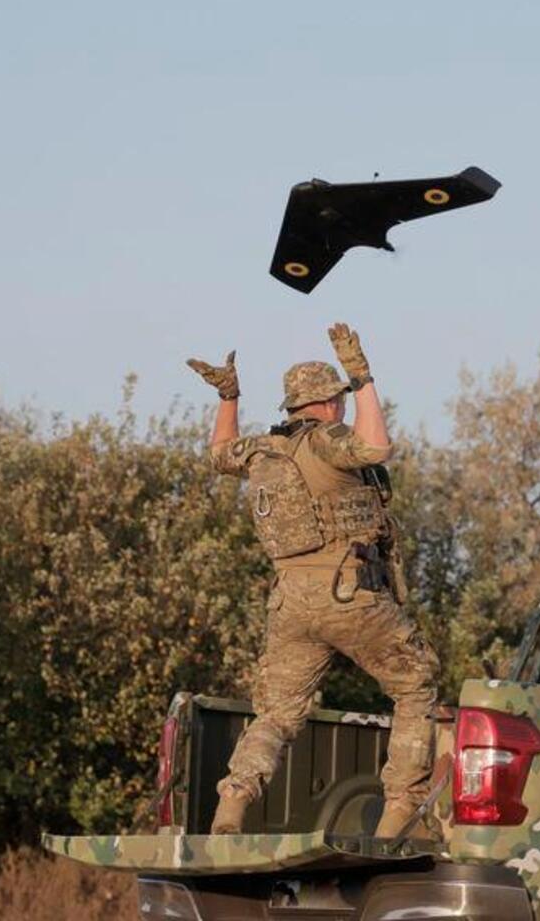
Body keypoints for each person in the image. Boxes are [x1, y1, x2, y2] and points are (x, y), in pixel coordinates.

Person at [186, 323, 439, 838]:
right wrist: (363, 375)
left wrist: (229, 396)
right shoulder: (327, 441)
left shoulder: (262, 451)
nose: (342, 407)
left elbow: (217, 452)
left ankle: (232, 804)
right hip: (348, 593)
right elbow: (375, 447)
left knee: (276, 715)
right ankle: (395, 817)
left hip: (290, 603)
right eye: (339, 400)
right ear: (325, 404)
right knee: (416, 685)